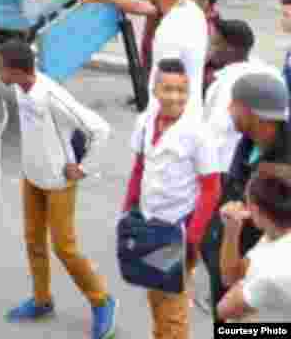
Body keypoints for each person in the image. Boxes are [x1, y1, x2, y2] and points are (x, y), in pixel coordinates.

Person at [0, 40, 117, 339]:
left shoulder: (51, 96)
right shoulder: (17, 87)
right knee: (33, 240)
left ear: (16, 71)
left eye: (1, 66)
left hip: (59, 184)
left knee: (64, 248)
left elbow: (100, 129)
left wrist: (84, 168)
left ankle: (102, 300)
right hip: (31, 177)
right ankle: (41, 299)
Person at [121, 58, 221, 339]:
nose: (175, 97)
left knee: (173, 310)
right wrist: (127, 210)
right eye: (168, 89)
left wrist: (191, 239)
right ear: (155, 89)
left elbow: (212, 188)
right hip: (148, 225)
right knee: (157, 299)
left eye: (182, 90)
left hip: (176, 231)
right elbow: (139, 168)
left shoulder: (198, 133)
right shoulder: (144, 123)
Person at [201, 69, 291, 317]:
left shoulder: (285, 164)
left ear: (254, 113)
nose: (229, 110)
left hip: (249, 278)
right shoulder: (248, 140)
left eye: (234, 104)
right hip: (223, 257)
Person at [217, 163, 291, 322]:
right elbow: (231, 277)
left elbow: (223, 309)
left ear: (256, 210)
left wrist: (240, 288)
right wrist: (232, 230)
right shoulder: (276, 233)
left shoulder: (271, 271)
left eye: (246, 200)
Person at [204, 21, 280, 174]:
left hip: (226, 169)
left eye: (215, 44)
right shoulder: (269, 72)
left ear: (230, 48)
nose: (210, 51)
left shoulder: (228, 85)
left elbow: (215, 133)